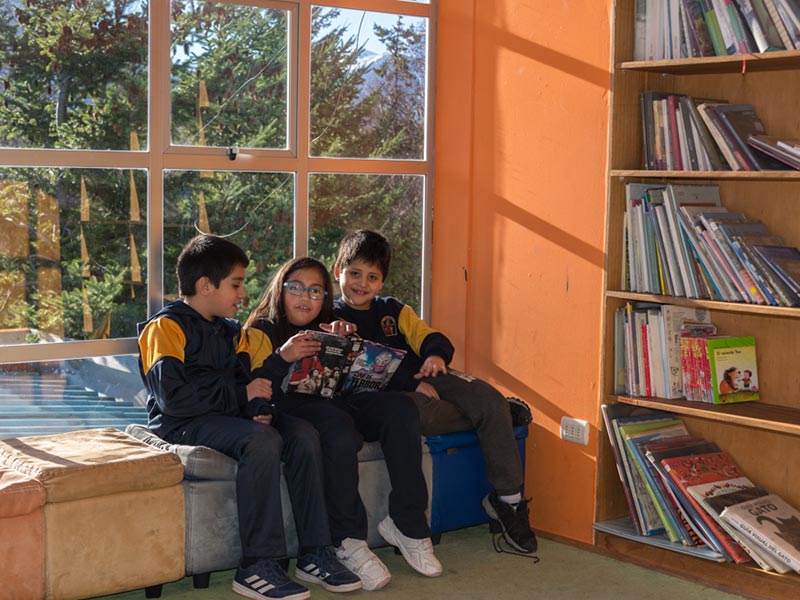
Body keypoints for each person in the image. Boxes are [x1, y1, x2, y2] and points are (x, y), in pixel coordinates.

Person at [137, 235, 361, 600]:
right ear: (205, 286)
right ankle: (257, 564)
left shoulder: (231, 332)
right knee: (261, 440)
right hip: (183, 422)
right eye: (236, 285)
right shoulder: (165, 328)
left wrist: (259, 409)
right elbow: (173, 397)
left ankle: (314, 552)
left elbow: (253, 383)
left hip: (228, 416)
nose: (242, 295)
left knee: (302, 433)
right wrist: (244, 399)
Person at [332, 229, 538, 554]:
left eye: (372, 276)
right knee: (424, 413)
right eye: (354, 273)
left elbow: (431, 337)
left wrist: (434, 355)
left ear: (382, 282)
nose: (362, 283)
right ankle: (500, 416)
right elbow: (358, 368)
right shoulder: (332, 318)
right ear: (337, 272)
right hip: (391, 395)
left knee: (488, 398)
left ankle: (508, 500)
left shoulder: (394, 310)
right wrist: (412, 384)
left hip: (427, 373)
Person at [243, 257, 442, 591]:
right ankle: (347, 539)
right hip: (295, 409)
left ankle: (408, 524)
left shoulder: (332, 322)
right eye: (296, 288)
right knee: (338, 427)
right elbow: (253, 385)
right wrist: (284, 356)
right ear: (280, 290)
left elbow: (358, 375)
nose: (305, 297)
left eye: (316, 291)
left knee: (400, 408)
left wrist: (348, 345)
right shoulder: (261, 330)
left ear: (325, 297)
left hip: (341, 399)